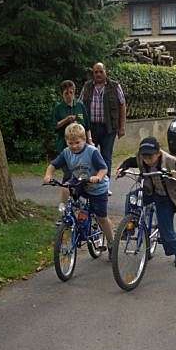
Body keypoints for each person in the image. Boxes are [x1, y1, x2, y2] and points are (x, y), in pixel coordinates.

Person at [116, 137, 176, 268]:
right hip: (149, 191)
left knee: (165, 228)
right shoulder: (141, 158)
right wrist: (122, 168)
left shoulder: (170, 161)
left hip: (166, 196)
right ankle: (130, 224)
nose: (147, 160)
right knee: (132, 197)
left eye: (151, 157)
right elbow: (130, 161)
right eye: (144, 157)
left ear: (158, 153)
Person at [44, 123, 114, 252]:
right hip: (80, 180)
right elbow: (53, 165)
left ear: (84, 140)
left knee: (101, 217)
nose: (74, 146)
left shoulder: (92, 152)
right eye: (70, 143)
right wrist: (48, 175)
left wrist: (97, 177)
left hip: (97, 186)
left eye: (77, 143)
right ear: (66, 142)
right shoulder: (66, 153)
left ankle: (111, 243)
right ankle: (65, 213)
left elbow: (104, 169)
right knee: (65, 187)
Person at [80, 62, 126, 194]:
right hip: (90, 128)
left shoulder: (115, 86)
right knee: (89, 156)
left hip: (108, 129)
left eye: (101, 71)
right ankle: (89, 183)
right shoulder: (87, 86)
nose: (98, 74)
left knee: (106, 157)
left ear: (106, 72)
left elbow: (122, 105)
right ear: (93, 73)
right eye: (96, 72)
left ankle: (105, 185)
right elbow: (80, 105)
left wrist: (122, 127)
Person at [51, 80, 92, 154]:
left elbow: (87, 126)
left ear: (74, 92)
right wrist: (66, 120)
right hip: (64, 144)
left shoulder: (80, 105)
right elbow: (54, 126)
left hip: (80, 144)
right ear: (62, 94)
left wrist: (90, 140)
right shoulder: (58, 108)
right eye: (66, 93)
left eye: (71, 92)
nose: (69, 95)